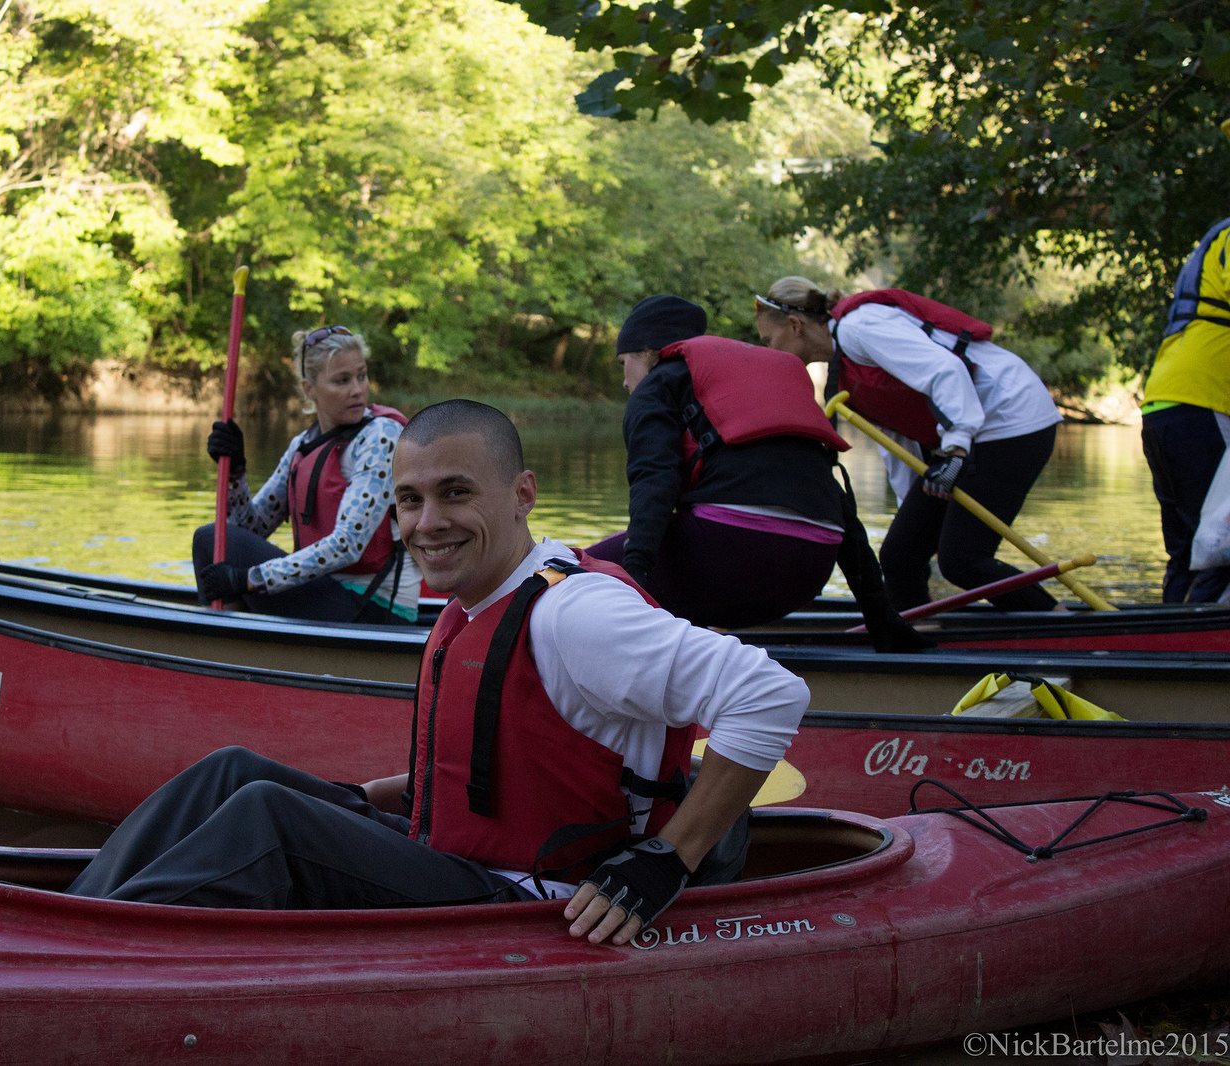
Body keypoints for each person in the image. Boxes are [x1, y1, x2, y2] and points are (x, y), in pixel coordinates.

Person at [69, 399, 809, 947]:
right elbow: (494, 766)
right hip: (456, 858)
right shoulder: (480, 597)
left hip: (533, 901)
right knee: (230, 773)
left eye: (456, 493)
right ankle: (69, 919)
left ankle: (85, 954)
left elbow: (769, 693)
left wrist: (667, 860)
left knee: (270, 821)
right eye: (410, 500)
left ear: (522, 494)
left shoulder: (575, 614)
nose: (427, 524)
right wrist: (363, 798)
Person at [586, 293, 928, 650]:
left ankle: (642, 663)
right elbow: (840, 507)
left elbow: (654, 483)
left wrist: (635, 578)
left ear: (647, 353)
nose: (624, 382)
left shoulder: (656, 386)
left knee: (567, 570)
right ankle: (687, 650)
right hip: (809, 571)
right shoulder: (760, 384)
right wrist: (881, 616)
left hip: (732, 559)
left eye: (623, 363)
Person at [755, 277, 1064, 613]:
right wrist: (911, 519)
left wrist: (956, 449)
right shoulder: (843, 370)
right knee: (900, 556)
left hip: (1011, 416)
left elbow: (946, 370)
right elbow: (898, 441)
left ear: (795, 325)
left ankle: (1059, 622)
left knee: (963, 561)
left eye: (769, 340)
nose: (769, 350)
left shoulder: (859, 327)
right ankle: (918, 632)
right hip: (974, 432)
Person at [192, 325, 420, 624]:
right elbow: (248, 529)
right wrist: (236, 472)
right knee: (211, 539)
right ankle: (227, 632)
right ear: (309, 389)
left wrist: (249, 579)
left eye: (361, 376)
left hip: (374, 608)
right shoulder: (302, 445)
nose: (357, 389)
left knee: (210, 539)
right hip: (327, 594)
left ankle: (223, 634)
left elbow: (348, 545)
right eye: (342, 380)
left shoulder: (381, 435)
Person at [1140, 214, 1230, 603]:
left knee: (1189, 550)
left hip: (1165, 399)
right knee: (1220, 544)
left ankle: (1170, 629)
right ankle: (1201, 629)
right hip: (1205, 400)